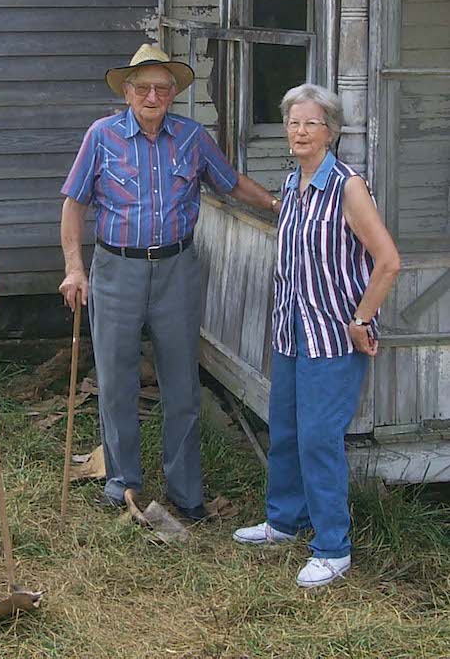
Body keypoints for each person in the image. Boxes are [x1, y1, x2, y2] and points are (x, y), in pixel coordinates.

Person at [59, 43, 279, 520]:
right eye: (143, 88)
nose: (152, 96)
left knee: (181, 381)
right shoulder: (101, 136)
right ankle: (123, 482)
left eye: (162, 88)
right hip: (116, 269)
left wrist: (278, 206)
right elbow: (74, 204)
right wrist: (75, 268)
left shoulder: (192, 137)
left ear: (174, 92)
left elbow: (231, 182)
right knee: (116, 378)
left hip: (178, 268)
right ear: (128, 92)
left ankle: (185, 491)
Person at [234, 84, 400, 588]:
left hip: (334, 339)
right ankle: (285, 520)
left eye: (311, 123)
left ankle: (333, 546)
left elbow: (388, 261)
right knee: (284, 428)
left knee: (318, 439)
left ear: (331, 132)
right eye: (293, 122)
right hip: (290, 331)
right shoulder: (294, 185)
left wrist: (362, 319)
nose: (300, 131)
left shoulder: (349, 187)